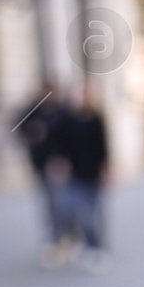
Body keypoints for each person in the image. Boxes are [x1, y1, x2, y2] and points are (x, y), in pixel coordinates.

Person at [51, 84, 109, 272]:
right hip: (74, 174)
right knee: (72, 209)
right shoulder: (66, 119)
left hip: (93, 173)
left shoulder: (97, 118)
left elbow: (103, 146)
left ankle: (96, 248)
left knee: (92, 214)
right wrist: (61, 162)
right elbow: (59, 143)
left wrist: (107, 169)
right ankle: (79, 242)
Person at [12, 81, 71, 267]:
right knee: (50, 203)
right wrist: (31, 135)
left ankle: (66, 235)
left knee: (63, 202)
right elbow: (18, 128)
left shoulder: (64, 111)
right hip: (41, 165)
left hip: (62, 166)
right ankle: (56, 239)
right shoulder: (33, 110)